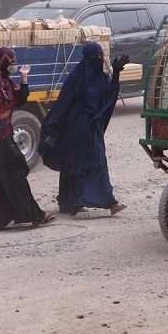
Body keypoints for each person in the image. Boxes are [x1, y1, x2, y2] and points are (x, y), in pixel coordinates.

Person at [0, 47, 58, 231]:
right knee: (9, 176)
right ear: (0, 63)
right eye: (10, 63)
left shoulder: (4, 82)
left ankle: (29, 215)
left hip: (4, 135)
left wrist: (24, 78)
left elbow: (20, 100)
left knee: (12, 176)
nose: (13, 66)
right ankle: (32, 215)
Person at [40, 43, 129, 216]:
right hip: (75, 127)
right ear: (86, 58)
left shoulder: (103, 78)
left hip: (92, 127)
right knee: (74, 165)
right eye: (94, 57)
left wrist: (116, 73)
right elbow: (63, 104)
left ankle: (108, 201)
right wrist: (53, 128)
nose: (97, 60)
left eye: (100, 57)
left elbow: (111, 95)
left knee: (98, 162)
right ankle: (71, 202)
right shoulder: (76, 78)